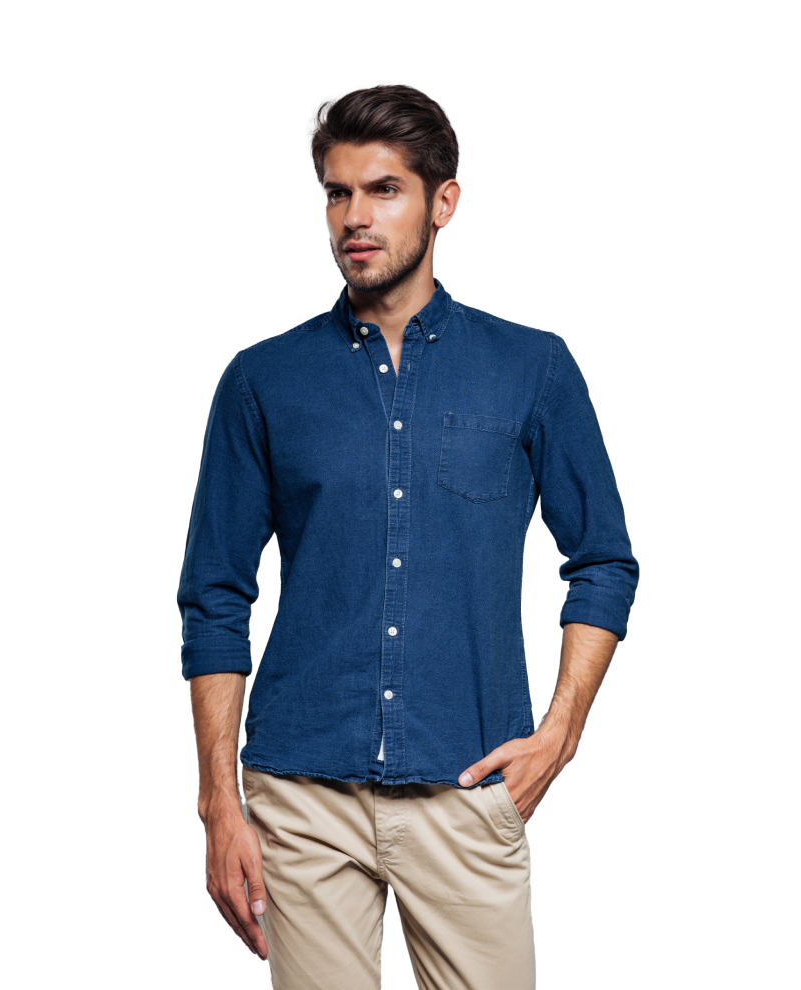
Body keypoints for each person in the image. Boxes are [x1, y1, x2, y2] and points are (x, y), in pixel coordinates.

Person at [178, 80, 639, 989]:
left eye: (384, 189)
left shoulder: (534, 366)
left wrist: (562, 733)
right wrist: (218, 804)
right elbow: (215, 597)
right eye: (336, 193)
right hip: (300, 797)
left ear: (444, 202)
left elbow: (603, 561)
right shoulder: (260, 381)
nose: (355, 217)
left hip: (468, 789)